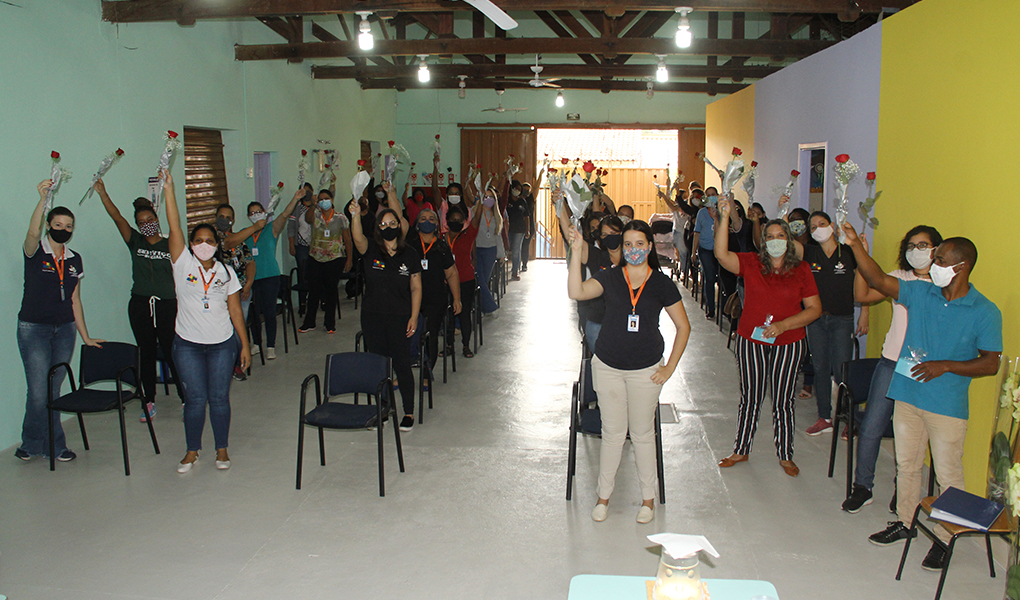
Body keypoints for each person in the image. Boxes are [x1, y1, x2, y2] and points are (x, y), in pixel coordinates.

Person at [842, 225, 1002, 571]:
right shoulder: (921, 293)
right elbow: (879, 280)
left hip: (945, 406)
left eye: (940, 259)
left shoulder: (984, 311)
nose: (932, 263)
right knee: (908, 465)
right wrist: (855, 246)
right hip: (908, 395)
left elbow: (991, 362)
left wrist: (945, 366)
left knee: (947, 475)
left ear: (960, 267)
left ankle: (946, 538)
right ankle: (905, 521)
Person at [568, 219, 691, 524]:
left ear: (649, 246)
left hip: (645, 370)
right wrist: (576, 251)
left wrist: (669, 367)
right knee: (611, 434)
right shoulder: (609, 277)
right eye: (627, 244)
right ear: (621, 249)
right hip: (608, 365)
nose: (633, 250)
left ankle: (647, 500)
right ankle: (603, 498)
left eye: (639, 244)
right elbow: (576, 292)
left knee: (642, 434)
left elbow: (683, 327)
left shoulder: (661, 283)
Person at [714, 198, 822, 477]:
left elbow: (814, 309)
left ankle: (785, 454)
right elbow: (722, 254)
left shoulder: (801, 270)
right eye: (770, 237)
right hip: (751, 340)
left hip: (789, 342)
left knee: (783, 399)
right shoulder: (751, 263)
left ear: (789, 240)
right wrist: (726, 216)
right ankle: (741, 448)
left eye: (780, 236)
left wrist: (785, 325)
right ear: (763, 241)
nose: (775, 241)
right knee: (750, 397)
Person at [842, 225, 942, 514]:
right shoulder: (899, 278)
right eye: (911, 246)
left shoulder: (943, 284)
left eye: (923, 245)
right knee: (872, 426)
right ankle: (863, 486)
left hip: (923, 369)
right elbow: (863, 295)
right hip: (890, 363)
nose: (916, 251)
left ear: (937, 249)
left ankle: (904, 490)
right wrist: (863, 260)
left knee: (913, 434)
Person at [162, 171, 250, 473]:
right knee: (195, 399)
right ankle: (191, 451)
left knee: (219, 398)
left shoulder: (225, 272)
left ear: (217, 244)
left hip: (222, 345)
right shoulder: (182, 263)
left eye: (209, 240)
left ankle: (222, 449)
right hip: (187, 345)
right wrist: (170, 189)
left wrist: (245, 346)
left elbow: (236, 311)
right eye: (198, 240)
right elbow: (173, 225)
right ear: (190, 243)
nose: (203, 244)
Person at [15, 180, 104, 462]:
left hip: (65, 330)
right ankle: (31, 443)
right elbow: (31, 231)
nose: (63, 230)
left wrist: (86, 337)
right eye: (58, 224)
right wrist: (43, 199)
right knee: (39, 391)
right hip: (34, 329)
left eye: (68, 226)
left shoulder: (75, 259)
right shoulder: (35, 251)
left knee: (54, 389)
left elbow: (75, 300)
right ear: (49, 224)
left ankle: (53, 445)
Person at [94, 179, 183, 422]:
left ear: (157, 220)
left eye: (150, 221)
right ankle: (149, 400)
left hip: (166, 305)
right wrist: (103, 192)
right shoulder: (135, 242)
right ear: (137, 225)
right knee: (145, 351)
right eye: (141, 223)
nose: (147, 225)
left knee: (171, 350)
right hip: (140, 304)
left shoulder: (169, 244)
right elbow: (117, 217)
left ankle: (187, 399)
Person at [348, 182, 422, 431]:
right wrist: (355, 215)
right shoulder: (371, 249)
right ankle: (384, 409)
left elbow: (416, 287)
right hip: (373, 316)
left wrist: (413, 316)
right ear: (378, 228)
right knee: (379, 365)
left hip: (401, 317)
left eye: (393, 223)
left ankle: (409, 411)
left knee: (401, 363)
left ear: (399, 226)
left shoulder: (409, 253)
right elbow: (357, 238)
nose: (389, 227)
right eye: (384, 224)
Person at [801, 211, 869, 436]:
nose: (818, 228)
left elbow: (865, 279)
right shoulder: (809, 253)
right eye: (813, 227)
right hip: (816, 320)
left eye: (822, 224)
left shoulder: (848, 252)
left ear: (832, 225)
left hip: (843, 319)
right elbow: (785, 242)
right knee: (820, 368)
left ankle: (850, 417)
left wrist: (865, 312)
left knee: (843, 371)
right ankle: (824, 417)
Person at [244, 190, 302, 359]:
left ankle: (270, 346)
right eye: (252, 213)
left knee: (269, 312)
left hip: (270, 276)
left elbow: (285, 214)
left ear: (264, 212)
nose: (255, 215)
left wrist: (295, 198)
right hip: (252, 278)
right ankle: (256, 343)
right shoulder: (246, 232)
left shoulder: (271, 229)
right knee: (254, 312)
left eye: (258, 211)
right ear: (248, 216)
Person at [410, 208, 461, 379]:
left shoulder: (441, 247)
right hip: (409, 299)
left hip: (435, 299)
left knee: (430, 335)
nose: (427, 221)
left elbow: (452, 273)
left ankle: (426, 374)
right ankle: (403, 372)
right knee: (407, 335)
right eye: (423, 218)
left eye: (431, 219)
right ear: (417, 224)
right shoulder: (410, 245)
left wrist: (457, 298)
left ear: (437, 224)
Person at [299, 189, 352, 334]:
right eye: (321, 199)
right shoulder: (315, 215)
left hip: (334, 258)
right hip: (315, 258)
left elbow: (347, 240)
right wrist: (312, 205)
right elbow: (308, 219)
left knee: (331, 291)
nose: (324, 201)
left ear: (332, 200)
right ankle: (309, 322)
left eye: (326, 198)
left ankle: (330, 323)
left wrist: (349, 259)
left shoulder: (341, 218)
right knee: (314, 291)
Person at [214, 204, 256, 381]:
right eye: (221, 216)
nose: (224, 220)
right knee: (225, 330)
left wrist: (248, 285)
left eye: (228, 217)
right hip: (219, 294)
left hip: (241, 292)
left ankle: (238, 364)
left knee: (238, 329)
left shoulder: (239, 240)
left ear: (233, 220)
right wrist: (255, 226)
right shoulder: (211, 240)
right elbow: (226, 243)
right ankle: (227, 363)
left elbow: (250, 263)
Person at [445, 207, 477, 357]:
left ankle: (466, 345)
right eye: (453, 220)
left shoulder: (468, 235)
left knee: (464, 314)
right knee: (448, 316)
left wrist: (482, 201)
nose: (456, 222)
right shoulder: (440, 238)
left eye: (459, 220)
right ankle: (449, 345)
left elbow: (476, 221)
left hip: (465, 280)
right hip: (445, 283)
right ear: (447, 221)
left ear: (464, 222)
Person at [473, 185, 502, 318]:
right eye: (486, 197)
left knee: (485, 279)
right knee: (479, 279)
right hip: (477, 249)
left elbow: (498, 235)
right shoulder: (475, 212)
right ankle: (489, 306)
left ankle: (481, 307)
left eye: (491, 197)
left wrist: (501, 254)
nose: (488, 199)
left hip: (490, 250)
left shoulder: (496, 216)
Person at [692, 187, 720, 320]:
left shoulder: (722, 212)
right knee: (709, 277)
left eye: (713, 195)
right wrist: (693, 252)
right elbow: (696, 233)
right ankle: (711, 308)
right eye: (708, 195)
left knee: (721, 279)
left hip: (720, 250)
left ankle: (725, 307)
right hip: (705, 250)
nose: (711, 197)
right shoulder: (701, 213)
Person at [288, 183, 315, 316]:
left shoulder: (317, 207)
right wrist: (291, 244)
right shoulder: (297, 208)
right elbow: (291, 227)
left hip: (316, 246)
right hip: (302, 246)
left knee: (316, 274)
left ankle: (317, 300)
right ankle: (303, 303)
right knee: (303, 274)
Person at [506, 179, 531, 281]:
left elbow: (526, 216)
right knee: (505, 250)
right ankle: (500, 271)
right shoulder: (507, 200)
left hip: (519, 229)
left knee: (516, 251)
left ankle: (515, 272)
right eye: (515, 188)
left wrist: (527, 229)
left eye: (519, 189)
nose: (517, 190)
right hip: (507, 229)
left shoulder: (522, 201)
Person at [520, 181, 536, 272]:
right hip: (519, 226)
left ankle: (524, 264)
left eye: (528, 190)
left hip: (530, 226)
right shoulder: (518, 199)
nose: (526, 191)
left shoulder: (530, 199)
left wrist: (540, 175)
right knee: (518, 247)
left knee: (525, 246)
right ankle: (517, 264)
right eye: (524, 189)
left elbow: (536, 188)